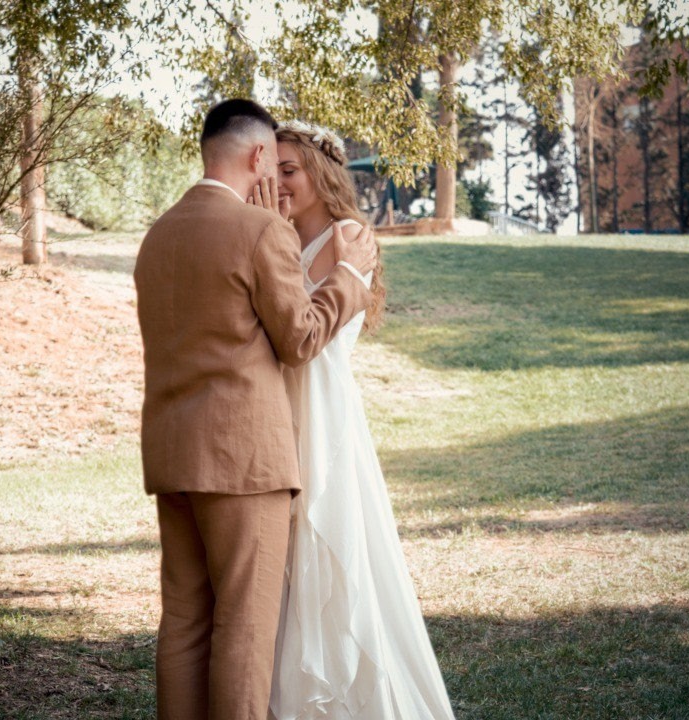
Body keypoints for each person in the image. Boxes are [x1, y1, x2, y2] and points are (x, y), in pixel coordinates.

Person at [133, 100, 379, 720]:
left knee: (185, 621)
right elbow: (298, 340)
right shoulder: (260, 230)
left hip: (171, 453)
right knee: (244, 626)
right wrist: (348, 277)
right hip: (243, 461)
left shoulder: (158, 233)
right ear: (257, 155)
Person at [258, 120, 456, 720]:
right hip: (281, 405)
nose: (280, 184)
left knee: (331, 545)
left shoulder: (349, 236)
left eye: (289, 171)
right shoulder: (278, 237)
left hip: (324, 413)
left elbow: (313, 330)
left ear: (320, 174)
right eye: (272, 173)